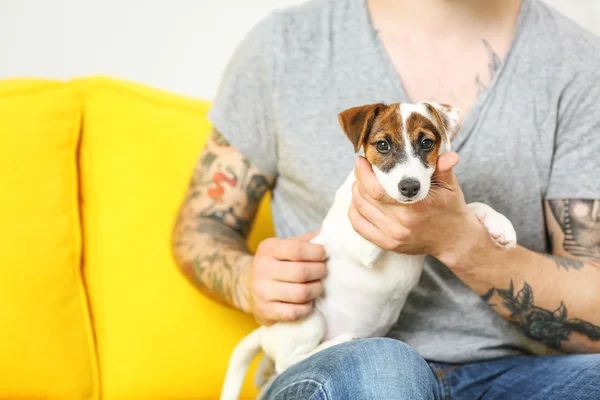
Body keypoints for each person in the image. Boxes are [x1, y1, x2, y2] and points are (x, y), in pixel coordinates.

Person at [172, 0, 600, 398]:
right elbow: (201, 229)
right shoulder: (283, 46)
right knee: (383, 367)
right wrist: (248, 281)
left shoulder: (575, 60)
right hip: (341, 361)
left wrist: (461, 243)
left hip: (513, 374)